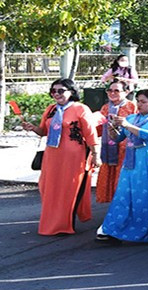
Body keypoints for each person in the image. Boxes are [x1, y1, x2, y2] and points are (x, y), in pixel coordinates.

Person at [22, 79, 100, 236]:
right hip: (52, 154)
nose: (56, 94)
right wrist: (33, 128)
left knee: (68, 188)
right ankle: (51, 220)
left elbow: (91, 135)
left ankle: (64, 223)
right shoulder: (51, 109)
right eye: (53, 91)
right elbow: (44, 131)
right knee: (48, 187)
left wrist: (96, 156)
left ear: (71, 91)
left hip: (73, 155)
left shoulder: (81, 109)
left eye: (61, 90)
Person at [96, 89, 148, 243]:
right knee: (126, 194)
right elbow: (119, 138)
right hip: (132, 161)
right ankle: (114, 227)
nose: (139, 104)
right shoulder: (132, 118)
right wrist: (112, 128)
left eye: (144, 101)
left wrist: (126, 125)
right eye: (138, 101)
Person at [95, 79, 138, 203]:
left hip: (125, 150)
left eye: (116, 91)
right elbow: (98, 129)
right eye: (110, 90)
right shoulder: (105, 108)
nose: (112, 93)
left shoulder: (132, 106)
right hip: (108, 149)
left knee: (122, 180)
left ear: (126, 92)